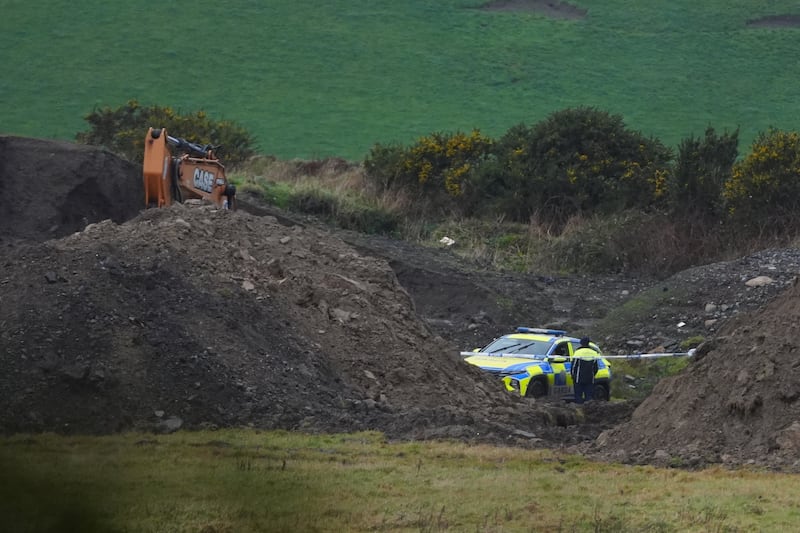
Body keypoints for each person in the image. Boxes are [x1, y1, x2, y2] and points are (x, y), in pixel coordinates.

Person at [571, 336, 599, 404]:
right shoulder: (594, 352)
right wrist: (593, 375)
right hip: (589, 379)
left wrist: (573, 376)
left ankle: (579, 411)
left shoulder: (578, 352)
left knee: (578, 396)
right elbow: (595, 367)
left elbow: (574, 366)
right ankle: (588, 411)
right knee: (589, 397)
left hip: (579, 378)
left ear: (581, 343)